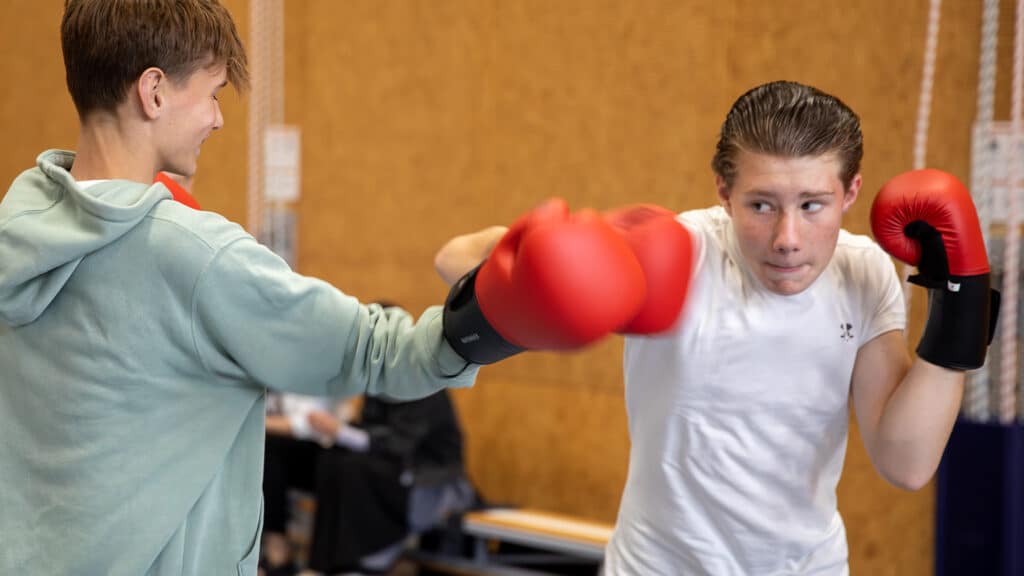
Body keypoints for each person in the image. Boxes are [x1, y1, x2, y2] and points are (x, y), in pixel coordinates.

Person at [0, 3, 665, 573]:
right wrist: (498, 305)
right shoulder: (194, 258)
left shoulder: (17, 236)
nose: (217, 118)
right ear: (153, 92)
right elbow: (386, 354)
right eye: (211, 92)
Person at [437, 80, 997, 575]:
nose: (787, 238)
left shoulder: (863, 271)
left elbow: (905, 462)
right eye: (760, 205)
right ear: (723, 193)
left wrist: (963, 305)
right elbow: (454, 256)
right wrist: (550, 277)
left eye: (812, 205)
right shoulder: (676, 256)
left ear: (850, 193)